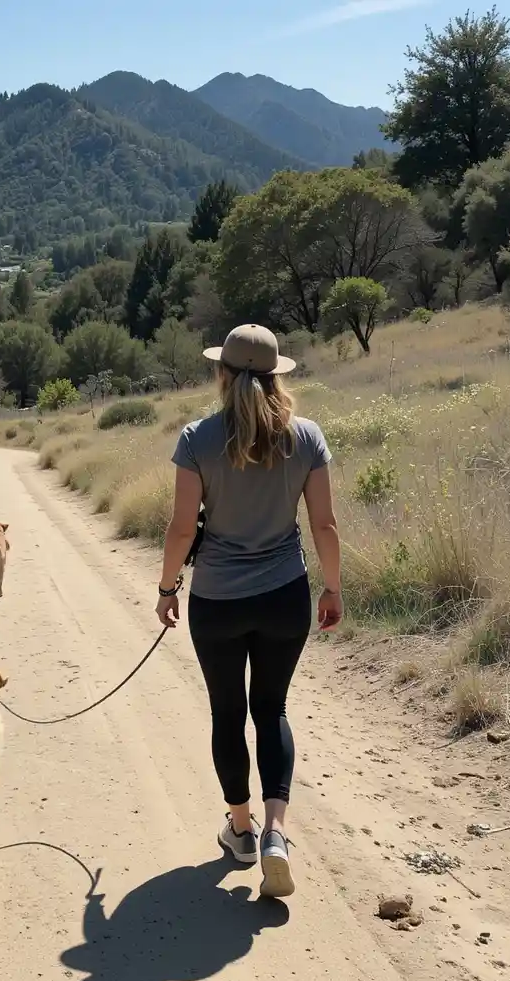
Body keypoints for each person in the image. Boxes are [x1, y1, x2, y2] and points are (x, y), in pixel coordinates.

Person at [155, 324, 342, 900]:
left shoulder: (196, 438)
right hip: (285, 594)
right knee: (272, 709)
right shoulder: (306, 437)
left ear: (223, 374)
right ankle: (277, 835)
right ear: (277, 374)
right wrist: (332, 588)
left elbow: (184, 526)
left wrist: (167, 588)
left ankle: (241, 827)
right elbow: (324, 525)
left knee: (226, 712)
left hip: (217, 599)